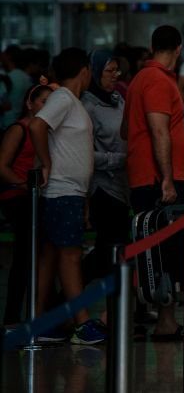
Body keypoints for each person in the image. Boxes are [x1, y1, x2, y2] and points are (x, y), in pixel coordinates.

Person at [28, 48, 106, 344]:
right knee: (71, 256)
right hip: (62, 190)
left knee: (50, 256)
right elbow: (37, 125)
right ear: (85, 71)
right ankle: (81, 323)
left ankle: (38, 322)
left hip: (69, 191)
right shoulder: (62, 98)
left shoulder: (71, 101)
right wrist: (46, 163)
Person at [123, 25, 184, 340]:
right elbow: (159, 131)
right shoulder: (157, 81)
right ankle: (164, 320)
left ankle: (165, 319)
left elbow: (127, 130)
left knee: (154, 251)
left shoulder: (139, 80)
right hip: (159, 180)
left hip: (147, 176)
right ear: (178, 48)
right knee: (164, 251)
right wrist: (166, 178)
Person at [0, 84, 52, 327]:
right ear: (30, 104)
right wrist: (24, 185)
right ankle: (12, 316)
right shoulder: (20, 129)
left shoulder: (46, 131)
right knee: (24, 257)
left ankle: (37, 312)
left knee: (42, 256)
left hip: (37, 196)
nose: (47, 108)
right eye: (43, 102)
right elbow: (2, 165)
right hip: (19, 196)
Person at [81, 50, 131, 283]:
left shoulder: (118, 99)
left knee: (114, 249)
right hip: (103, 188)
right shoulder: (87, 106)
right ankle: (65, 302)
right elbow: (84, 154)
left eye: (116, 70)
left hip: (122, 187)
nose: (115, 75)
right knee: (108, 250)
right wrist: (118, 158)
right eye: (109, 71)